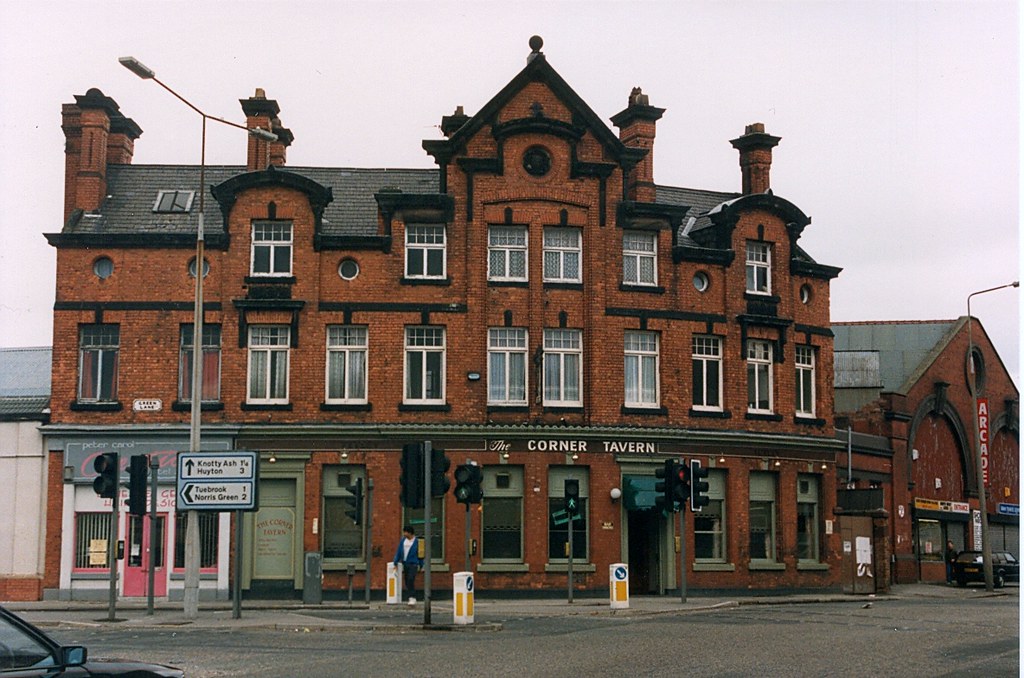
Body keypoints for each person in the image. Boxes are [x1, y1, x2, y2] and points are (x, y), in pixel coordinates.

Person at [393, 525, 422, 605]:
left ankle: (412, 597)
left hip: (414, 563)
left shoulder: (418, 542)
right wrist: (395, 562)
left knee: (410, 579)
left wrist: (421, 564)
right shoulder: (403, 541)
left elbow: (421, 554)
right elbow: (399, 551)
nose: (404, 534)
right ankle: (410, 596)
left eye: (406, 532)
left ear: (410, 533)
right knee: (406, 580)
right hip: (405, 563)